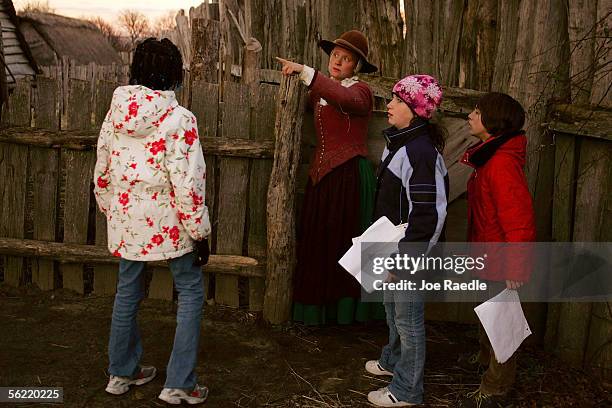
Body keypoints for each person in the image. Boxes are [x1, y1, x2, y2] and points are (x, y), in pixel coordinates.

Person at [93, 38, 211, 405]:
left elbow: (103, 167)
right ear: (175, 73)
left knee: (127, 290)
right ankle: (179, 383)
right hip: (170, 219)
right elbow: (188, 183)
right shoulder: (181, 119)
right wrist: (200, 231)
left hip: (127, 216)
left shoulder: (116, 112)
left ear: (136, 69)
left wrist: (109, 207)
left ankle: (121, 373)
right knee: (190, 290)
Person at [277, 30, 382, 325]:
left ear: (356, 66)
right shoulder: (319, 90)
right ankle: (315, 311)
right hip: (321, 175)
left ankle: (346, 313)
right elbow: (313, 99)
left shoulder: (361, 92)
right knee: (317, 241)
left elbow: (344, 98)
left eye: (346, 59)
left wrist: (306, 72)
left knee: (344, 242)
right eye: (335, 55)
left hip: (349, 176)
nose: (337, 61)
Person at [365, 74, 449, 407]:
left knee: (408, 319)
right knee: (392, 308)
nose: (389, 105)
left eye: (398, 100)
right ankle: (392, 360)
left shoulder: (420, 152)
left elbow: (429, 214)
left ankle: (406, 390)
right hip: (393, 248)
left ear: (415, 110)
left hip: (410, 255)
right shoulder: (399, 143)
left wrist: (406, 260)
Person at [457, 92, 536, 408]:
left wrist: (515, 268)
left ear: (493, 120)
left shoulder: (501, 164)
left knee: (500, 322)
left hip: (501, 261)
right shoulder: (490, 157)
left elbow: (518, 219)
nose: (470, 116)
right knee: (487, 314)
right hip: (487, 256)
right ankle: (484, 359)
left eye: (476, 111)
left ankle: (495, 388)